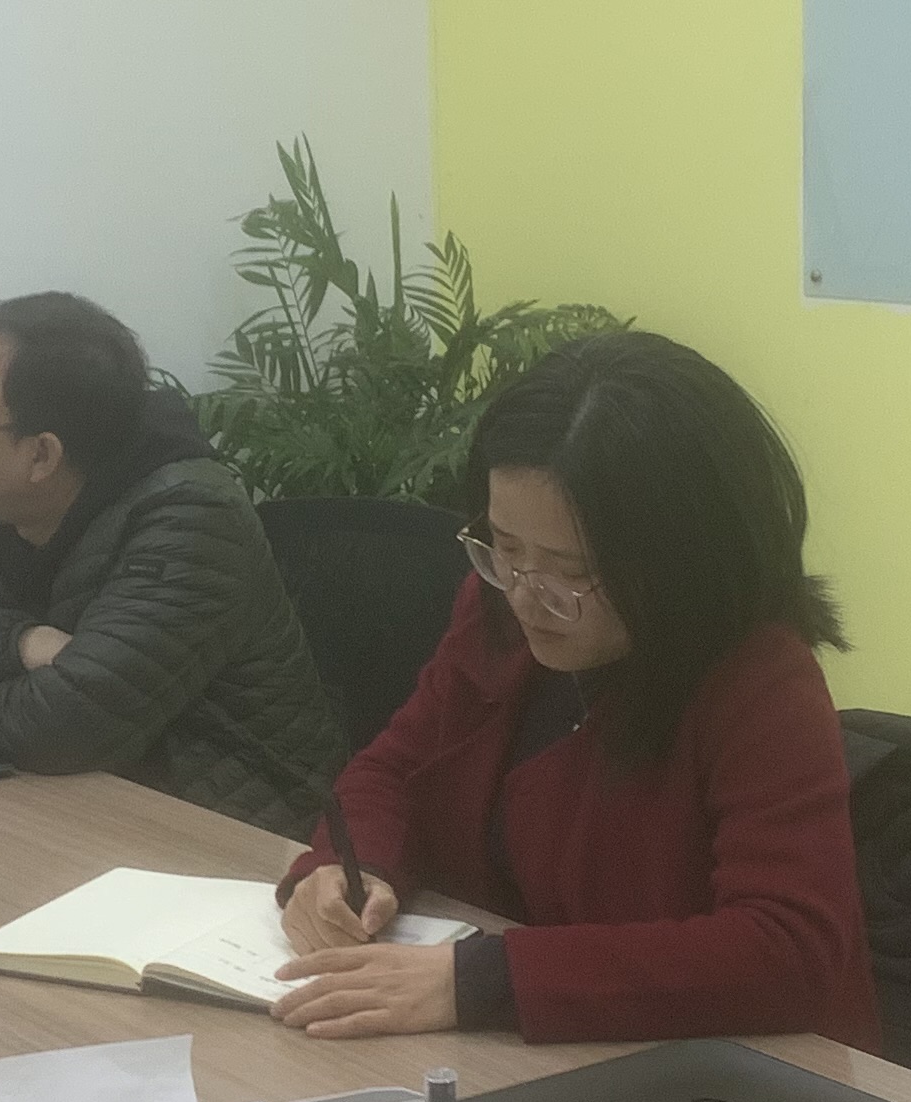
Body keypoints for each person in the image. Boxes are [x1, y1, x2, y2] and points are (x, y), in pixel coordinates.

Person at [270, 331, 877, 1049]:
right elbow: (398, 769)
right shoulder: (496, 613)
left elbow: (784, 950)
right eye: (505, 548)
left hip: (733, 1073)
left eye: (571, 571)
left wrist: (481, 981)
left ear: (680, 559)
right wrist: (348, 869)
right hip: (527, 1053)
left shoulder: (760, 683)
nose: (527, 596)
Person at [0, 291, 345, 836]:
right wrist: (14, 641)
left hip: (231, 828)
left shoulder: (191, 516)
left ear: (42, 455)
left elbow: (67, 729)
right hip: (64, 804)